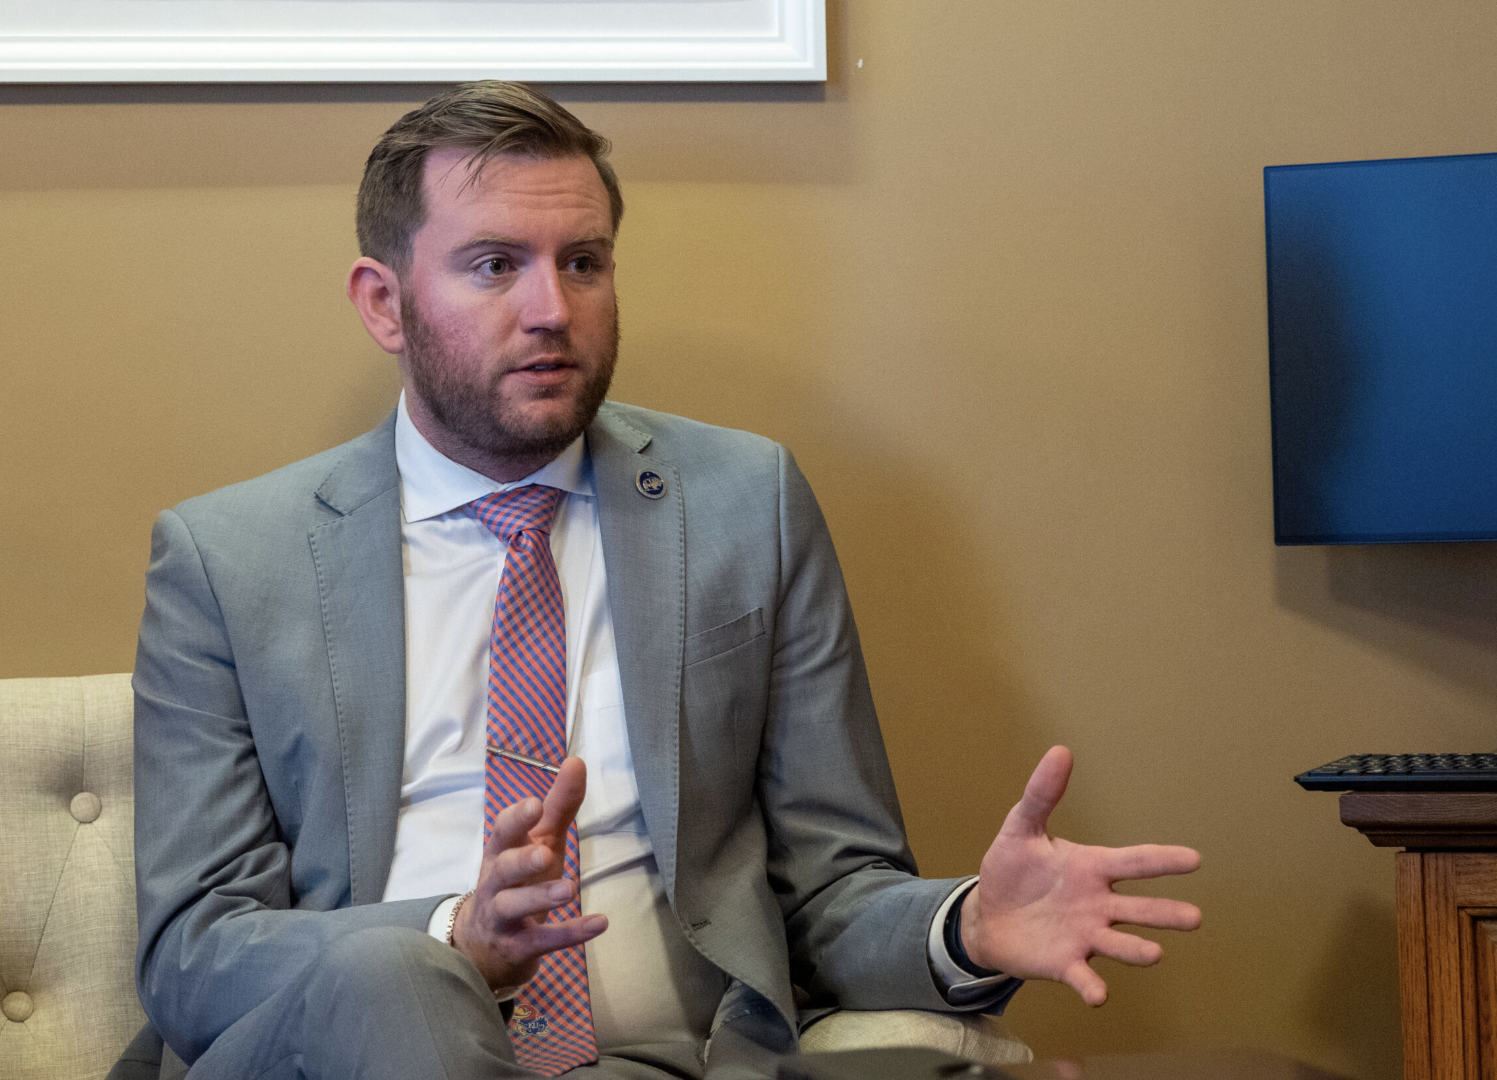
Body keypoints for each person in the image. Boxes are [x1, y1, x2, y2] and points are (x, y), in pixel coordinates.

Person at [122, 81, 1201, 1080]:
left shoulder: (745, 504)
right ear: (383, 303)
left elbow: (832, 888)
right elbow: (193, 956)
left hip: (662, 1062)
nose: (551, 307)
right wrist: (455, 934)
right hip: (339, 1055)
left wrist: (960, 928)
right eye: (495, 264)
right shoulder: (229, 559)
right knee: (394, 976)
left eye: (582, 262)